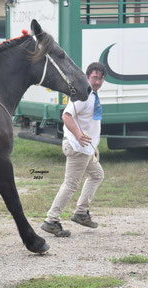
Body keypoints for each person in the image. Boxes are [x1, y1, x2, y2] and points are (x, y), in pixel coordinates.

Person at [41, 62, 106, 237]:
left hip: (86, 148)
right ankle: (51, 220)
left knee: (97, 175)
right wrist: (78, 134)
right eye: (94, 77)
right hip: (78, 147)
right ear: (87, 77)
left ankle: (81, 213)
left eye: (100, 78)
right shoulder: (83, 96)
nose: (97, 82)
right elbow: (66, 116)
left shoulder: (92, 94)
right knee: (71, 184)